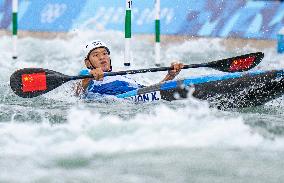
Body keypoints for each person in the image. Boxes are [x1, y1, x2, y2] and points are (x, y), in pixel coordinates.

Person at [75, 40, 184, 98]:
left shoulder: (122, 74)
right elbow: (75, 94)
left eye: (105, 53)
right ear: (88, 63)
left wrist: (170, 75)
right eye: (96, 55)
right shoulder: (86, 74)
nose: (102, 57)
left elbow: (151, 91)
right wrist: (88, 78)